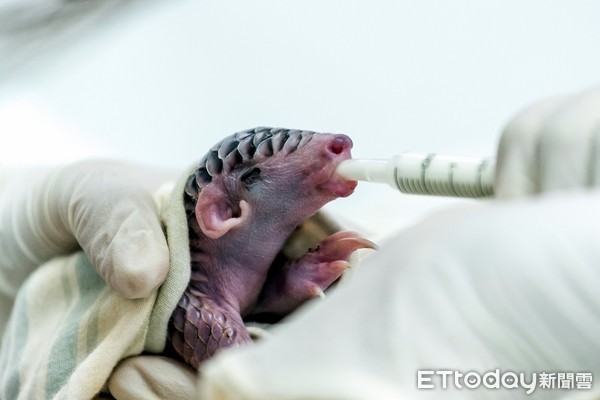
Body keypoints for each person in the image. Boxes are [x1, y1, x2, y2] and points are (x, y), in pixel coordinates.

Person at [1, 89, 600, 399]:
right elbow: (239, 364)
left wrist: (290, 287)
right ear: (225, 210)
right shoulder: (199, 309)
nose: (337, 145)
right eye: (292, 151)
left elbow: (260, 303)